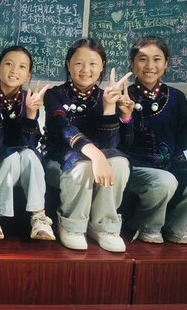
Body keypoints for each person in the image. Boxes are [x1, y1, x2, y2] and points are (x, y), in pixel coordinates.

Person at [121, 36, 187, 244]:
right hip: (137, 165)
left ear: (166, 64)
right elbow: (120, 144)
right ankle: (146, 226)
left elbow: (183, 143)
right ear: (132, 63)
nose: (150, 66)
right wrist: (126, 116)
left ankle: (175, 227)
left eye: (157, 59)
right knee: (164, 182)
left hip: (173, 163)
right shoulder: (123, 97)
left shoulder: (176, 97)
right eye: (142, 59)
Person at [43, 37, 131, 252]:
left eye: (92, 63)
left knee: (119, 163)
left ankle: (105, 226)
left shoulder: (106, 96)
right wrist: (96, 155)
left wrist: (109, 108)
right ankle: (71, 225)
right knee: (83, 166)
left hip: (97, 160)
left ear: (102, 66)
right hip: (59, 161)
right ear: (68, 64)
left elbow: (111, 146)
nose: (85, 69)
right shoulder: (54, 95)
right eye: (79, 63)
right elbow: (63, 128)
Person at [0, 45, 55, 241]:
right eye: (9, 64)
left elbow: (28, 145)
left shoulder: (28, 101)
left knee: (29, 155)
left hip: (20, 164)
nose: (14, 70)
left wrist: (31, 115)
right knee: (10, 157)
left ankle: (39, 216)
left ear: (28, 75)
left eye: (22, 67)